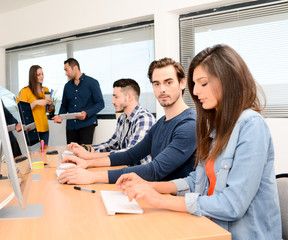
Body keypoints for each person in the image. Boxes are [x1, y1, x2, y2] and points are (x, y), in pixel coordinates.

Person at [116, 45, 282, 239]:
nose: (195, 91)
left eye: (203, 83)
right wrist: (150, 186)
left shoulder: (251, 125)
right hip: (208, 226)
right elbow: (198, 180)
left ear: (228, 81)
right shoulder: (217, 127)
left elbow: (232, 205)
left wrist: (160, 201)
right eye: (194, 84)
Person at [57, 57, 196, 184]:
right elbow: (130, 154)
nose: (162, 89)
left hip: (174, 201)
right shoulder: (161, 123)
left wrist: (93, 176)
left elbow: (154, 169)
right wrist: (88, 163)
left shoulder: (189, 124)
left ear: (182, 83)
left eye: (168, 82)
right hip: (151, 191)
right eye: (156, 84)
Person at [67, 78, 155, 165]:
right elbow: (112, 144)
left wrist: (89, 156)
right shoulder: (122, 118)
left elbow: (131, 153)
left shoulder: (144, 118)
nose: (112, 102)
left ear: (129, 97)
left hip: (139, 173)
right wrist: (87, 149)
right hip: (124, 168)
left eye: (116, 97)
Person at [52, 58, 104, 144]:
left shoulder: (92, 82)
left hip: (87, 124)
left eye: (67, 70)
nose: (66, 74)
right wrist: (60, 116)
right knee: (71, 153)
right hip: (71, 127)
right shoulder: (67, 86)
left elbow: (100, 103)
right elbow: (64, 105)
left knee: (84, 153)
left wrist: (86, 113)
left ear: (75, 68)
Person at [19, 65, 53, 146]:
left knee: (44, 153)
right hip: (32, 129)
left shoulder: (46, 90)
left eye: (42, 74)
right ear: (33, 76)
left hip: (45, 128)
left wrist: (51, 104)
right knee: (34, 155)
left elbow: (48, 110)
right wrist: (35, 103)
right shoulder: (25, 91)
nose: (42, 76)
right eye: (38, 74)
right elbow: (22, 111)